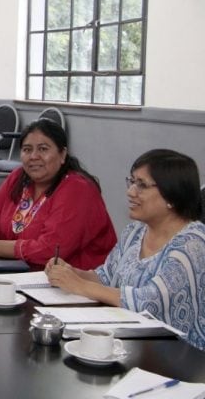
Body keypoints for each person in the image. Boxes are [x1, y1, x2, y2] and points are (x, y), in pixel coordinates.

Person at [47, 149, 205, 350]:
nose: (130, 192)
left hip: (181, 358)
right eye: (131, 182)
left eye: (141, 185)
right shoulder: (135, 232)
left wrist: (79, 285)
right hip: (131, 344)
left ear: (172, 196)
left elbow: (150, 302)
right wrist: (70, 273)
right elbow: (106, 276)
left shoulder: (193, 244)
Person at [0, 118, 116, 269]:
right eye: (27, 150)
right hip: (22, 275)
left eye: (43, 149)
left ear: (63, 154)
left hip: (75, 286)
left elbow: (49, 250)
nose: (34, 156)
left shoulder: (78, 189)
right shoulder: (19, 177)